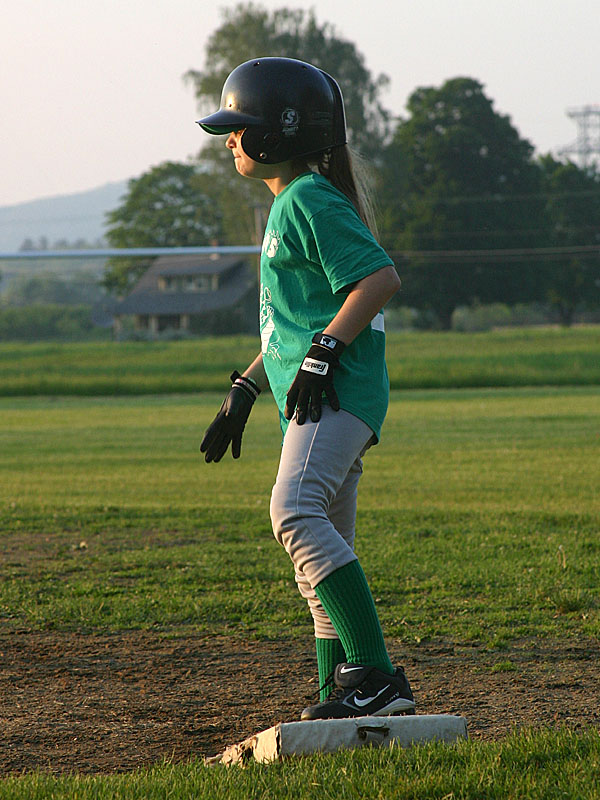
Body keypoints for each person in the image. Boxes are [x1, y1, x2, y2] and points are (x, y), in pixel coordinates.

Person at [197, 57, 415, 720]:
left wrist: (324, 353)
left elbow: (377, 280)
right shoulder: (293, 202)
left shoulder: (308, 198)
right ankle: (339, 694)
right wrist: (246, 386)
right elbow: (293, 328)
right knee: (318, 548)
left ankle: (376, 676)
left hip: (336, 393)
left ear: (281, 133)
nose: (229, 139)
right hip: (324, 394)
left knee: (294, 515)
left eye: (239, 127)